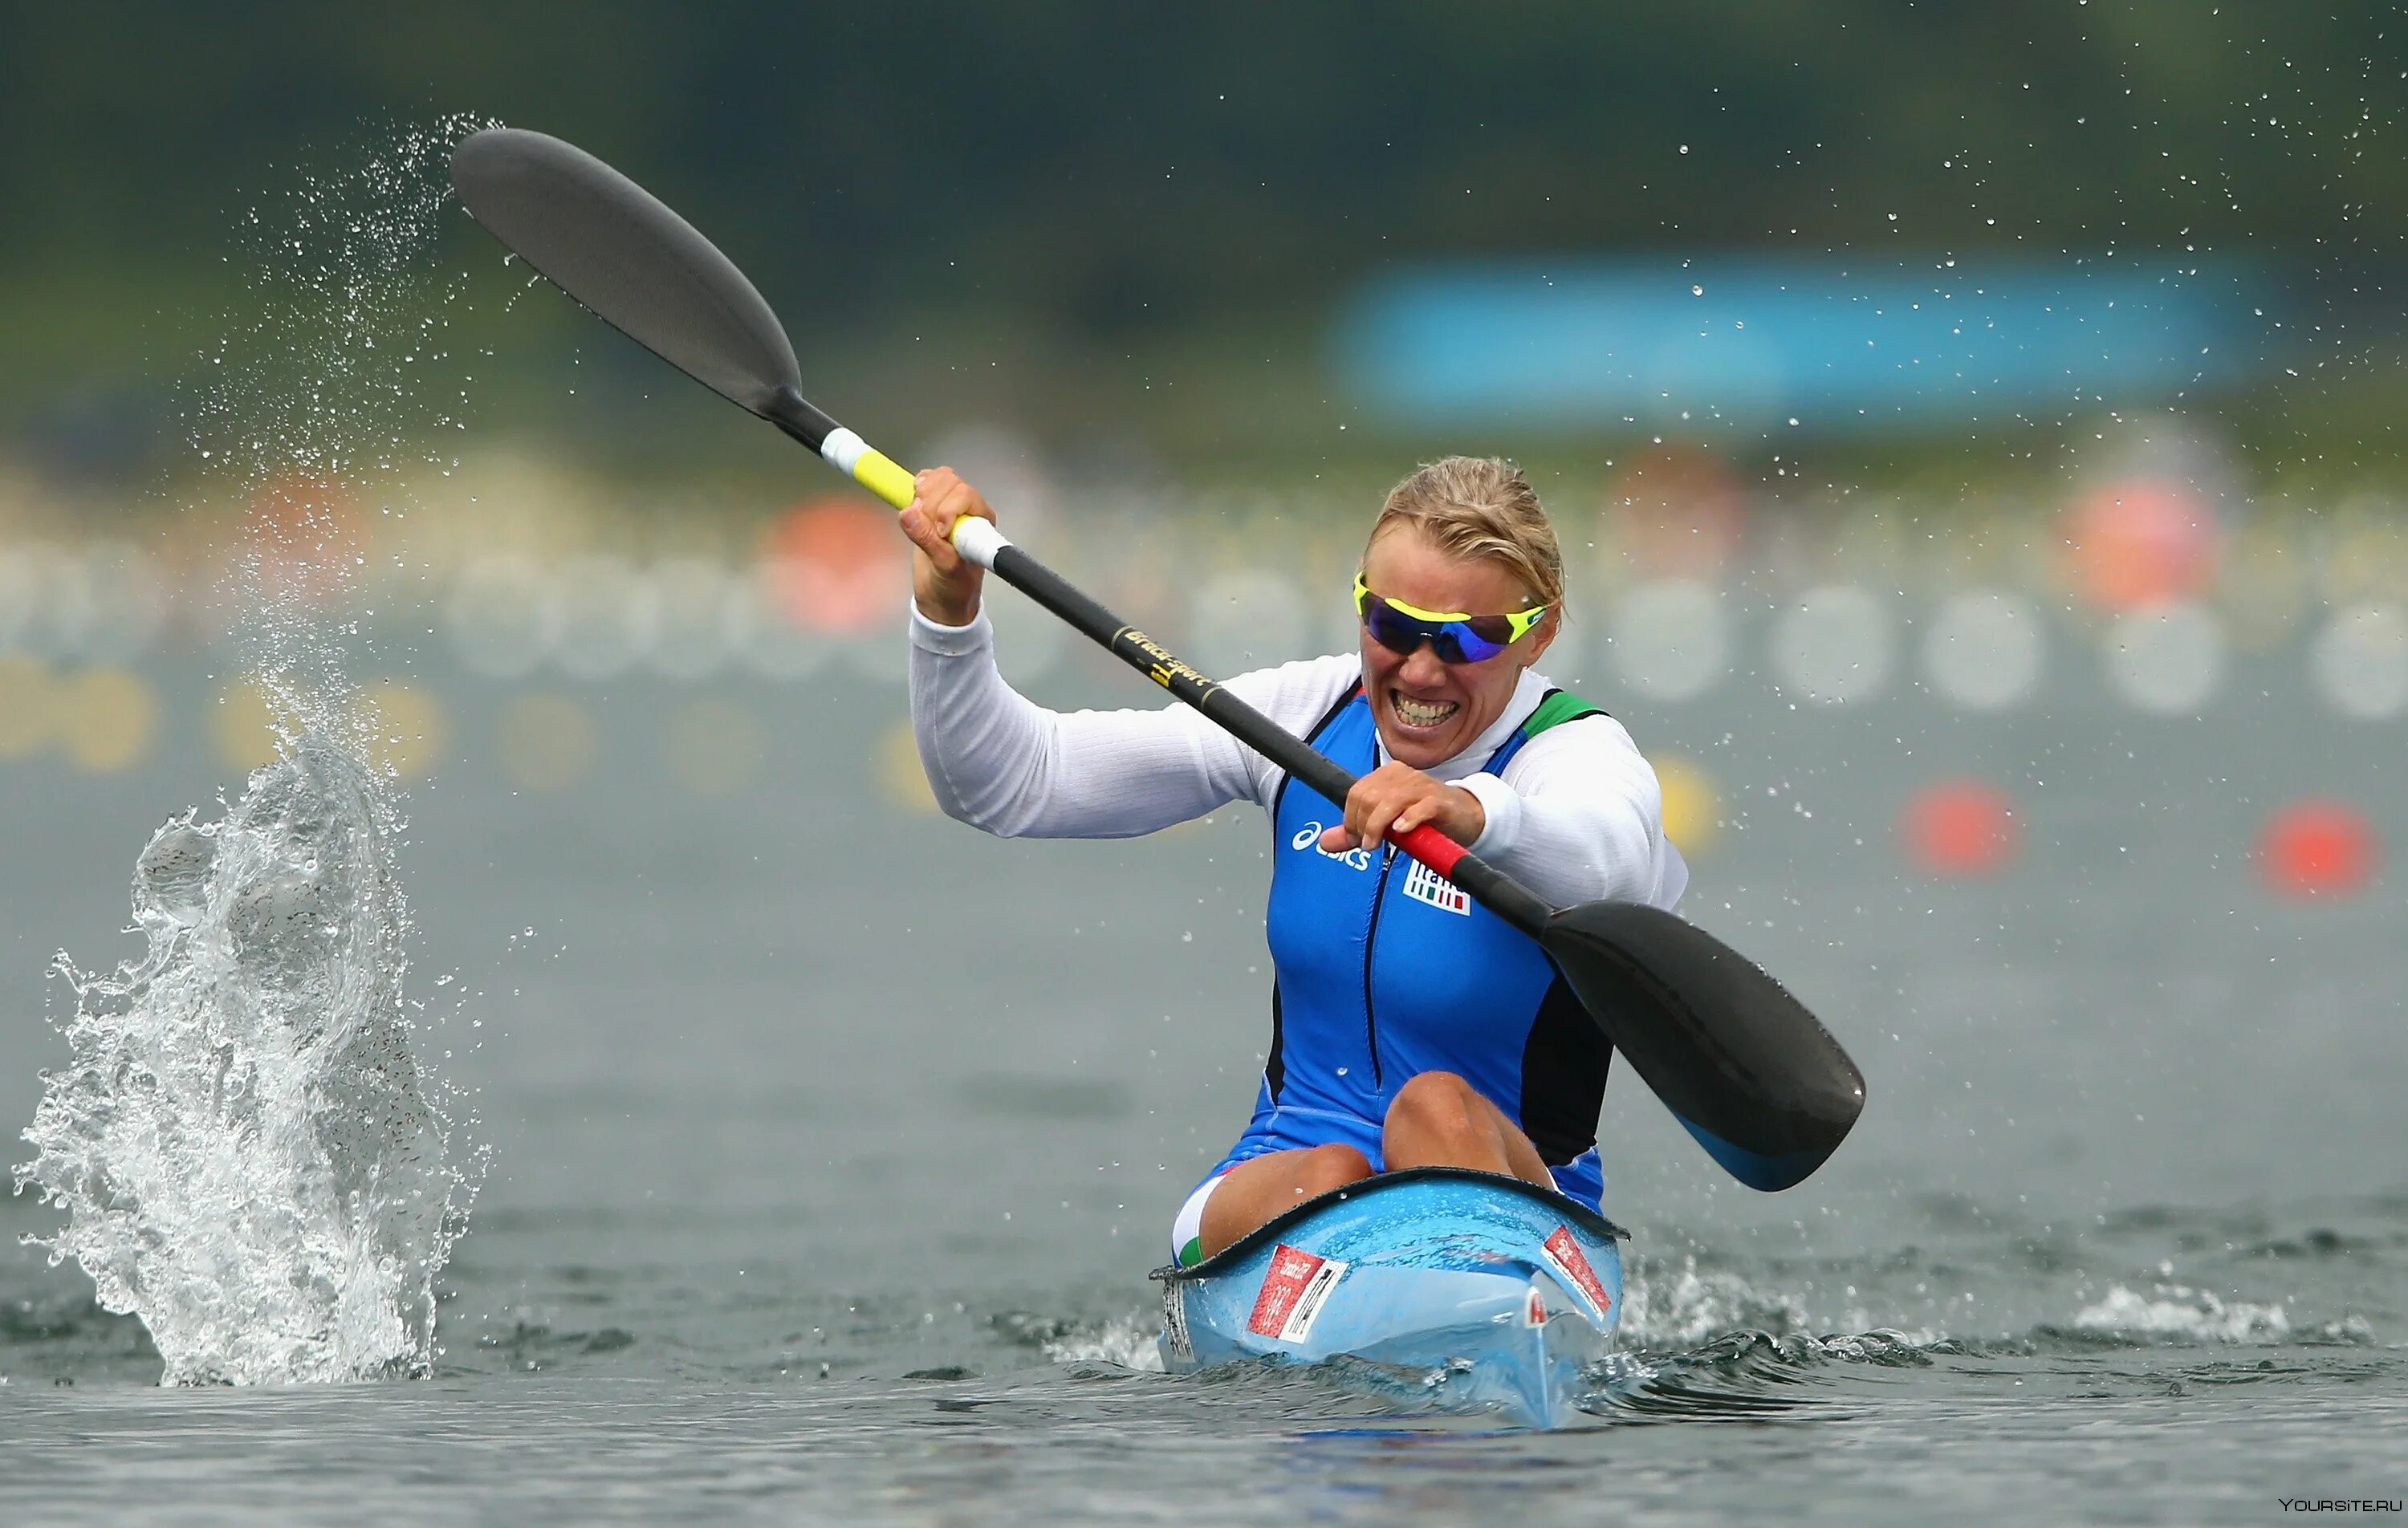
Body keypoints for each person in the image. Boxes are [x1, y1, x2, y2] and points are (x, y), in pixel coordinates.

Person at [898, 455, 1688, 1270]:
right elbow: (1010, 781)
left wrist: (1477, 812)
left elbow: (1616, 869)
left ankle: (1456, 1281)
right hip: (1289, 1175)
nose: (1420, 668)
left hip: (1525, 1204)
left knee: (1435, 1108)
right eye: (1392, 624)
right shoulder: (1305, 716)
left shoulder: (1574, 754)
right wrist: (948, 613)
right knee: (1335, 1173)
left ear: (1542, 630)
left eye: (1467, 638)